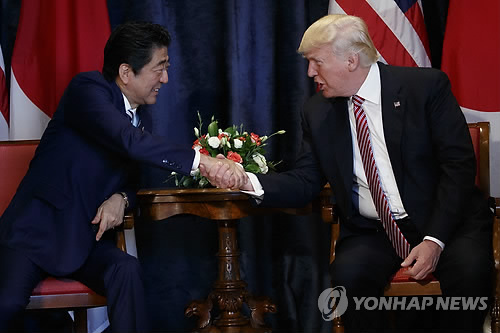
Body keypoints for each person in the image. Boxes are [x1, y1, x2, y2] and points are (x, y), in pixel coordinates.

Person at [203, 14, 494, 332]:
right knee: (348, 275)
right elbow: (305, 181)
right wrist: (246, 179)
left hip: (445, 223)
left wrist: (433, 240)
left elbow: (458, 167)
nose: (311, 73)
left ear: (352, 60)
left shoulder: (425, 88)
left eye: (317, 62)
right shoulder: (318, 111)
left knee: (470, 271)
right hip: (375, 231)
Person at [0, 21, 246, 332]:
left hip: (83, 240)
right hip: (34, 234)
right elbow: (127, 141)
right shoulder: (87, 90)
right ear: (127, 73)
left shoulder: (141, 117)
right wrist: (204, 163)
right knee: (6, 305)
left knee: (125, 270)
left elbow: (136, 175)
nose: (165, 79)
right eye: (160, 68)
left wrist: (122, 197)